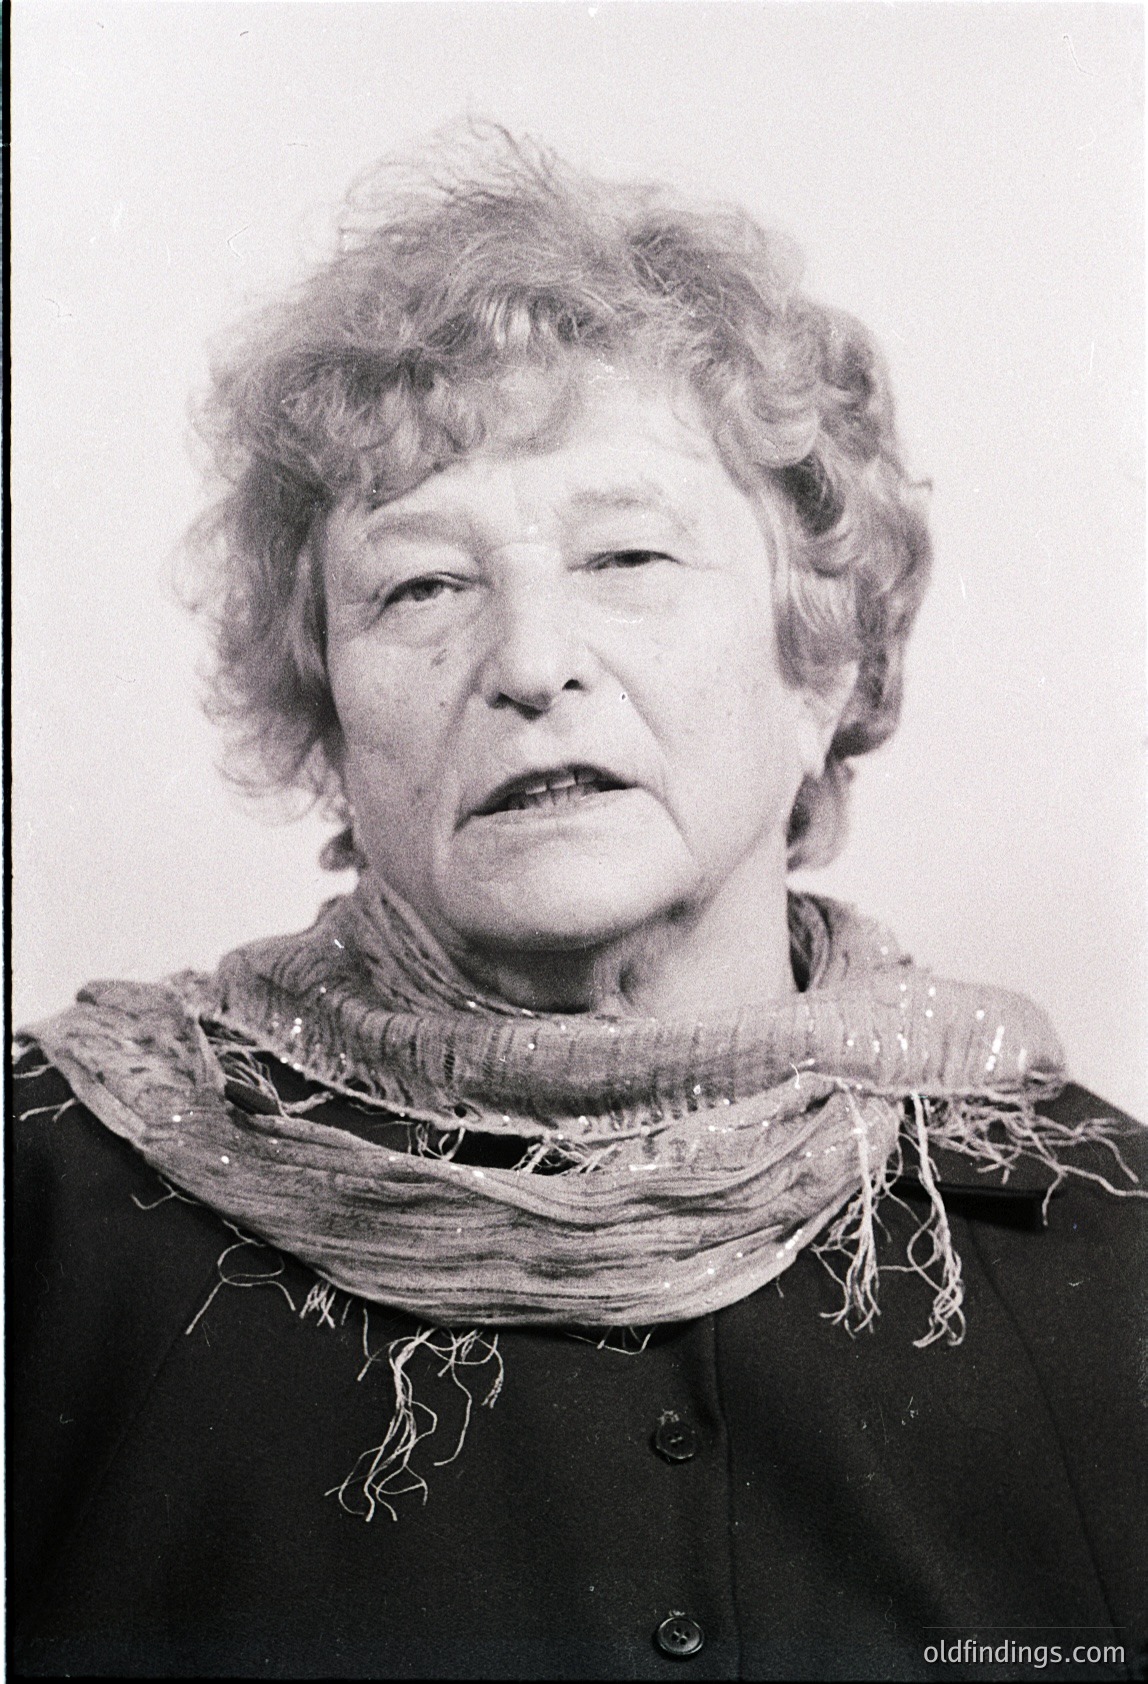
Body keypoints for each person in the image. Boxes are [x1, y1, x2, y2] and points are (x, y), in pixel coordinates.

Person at [9, 129, 1145, 1681]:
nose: (531, 660)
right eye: (421, 587)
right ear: (329, 725)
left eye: (625, 554)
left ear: (819, 665)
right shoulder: (49, 1227)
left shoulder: (1109, 1246)